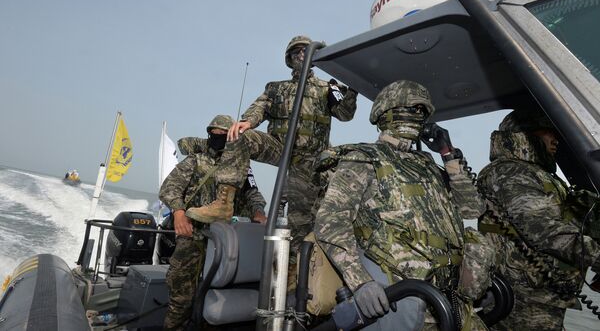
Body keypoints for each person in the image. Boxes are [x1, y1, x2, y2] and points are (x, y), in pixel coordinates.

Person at [314, 80, 488, 330]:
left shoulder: (429, 165)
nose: (417, 116)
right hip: (405, 297)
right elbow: (330, 222)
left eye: (422, 112)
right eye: (411, 109)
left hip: (451, 299)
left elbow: (472, 208)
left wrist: (448, 154)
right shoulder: (363, 159)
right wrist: (360, 281)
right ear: (386, 112)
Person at [186, 35, 358, 285]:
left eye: (304, 51)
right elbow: (258, 109)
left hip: (308, 161)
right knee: (238, 134)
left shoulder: (326, 88)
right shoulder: (275, 88)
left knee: (300, 222)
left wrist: (350, 89)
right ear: (289, 59)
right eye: (296, 52)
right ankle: (224, 200)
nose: (301, 55)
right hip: (280, 148)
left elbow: (345, 114)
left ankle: (293, 278)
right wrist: (247, 122)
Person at [477, 109, 600, 330]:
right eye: (548, 132)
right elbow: (543, 230)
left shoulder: (539, 175)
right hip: (523, 299)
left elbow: (570, 214)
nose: (556, 139)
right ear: (526, 135)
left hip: (548, 294)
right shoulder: (509, 172)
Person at [159, 114, 267, 331]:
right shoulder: (195, 161)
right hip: (193, 237)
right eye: (213, 134)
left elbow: (253, 193)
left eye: (222, 134)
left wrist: (259, 212)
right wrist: (179, 213)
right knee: (181, 298)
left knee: (215, 300)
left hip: (222, 242)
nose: (217, 138)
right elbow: (169, 188)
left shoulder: (241, 168)